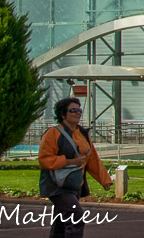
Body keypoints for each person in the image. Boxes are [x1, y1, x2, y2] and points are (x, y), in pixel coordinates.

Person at [38, 97, 112, 238]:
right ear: (63, 114)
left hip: (74, 184)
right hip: (56, 185)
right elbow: (44, 160)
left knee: (61, 223)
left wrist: (104, 179)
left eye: (79, 110)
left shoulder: (82, 133)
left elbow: (92, 158)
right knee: (75, 217)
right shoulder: (53, 133)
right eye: (73, 110)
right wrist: (69, 161)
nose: (78, 113)